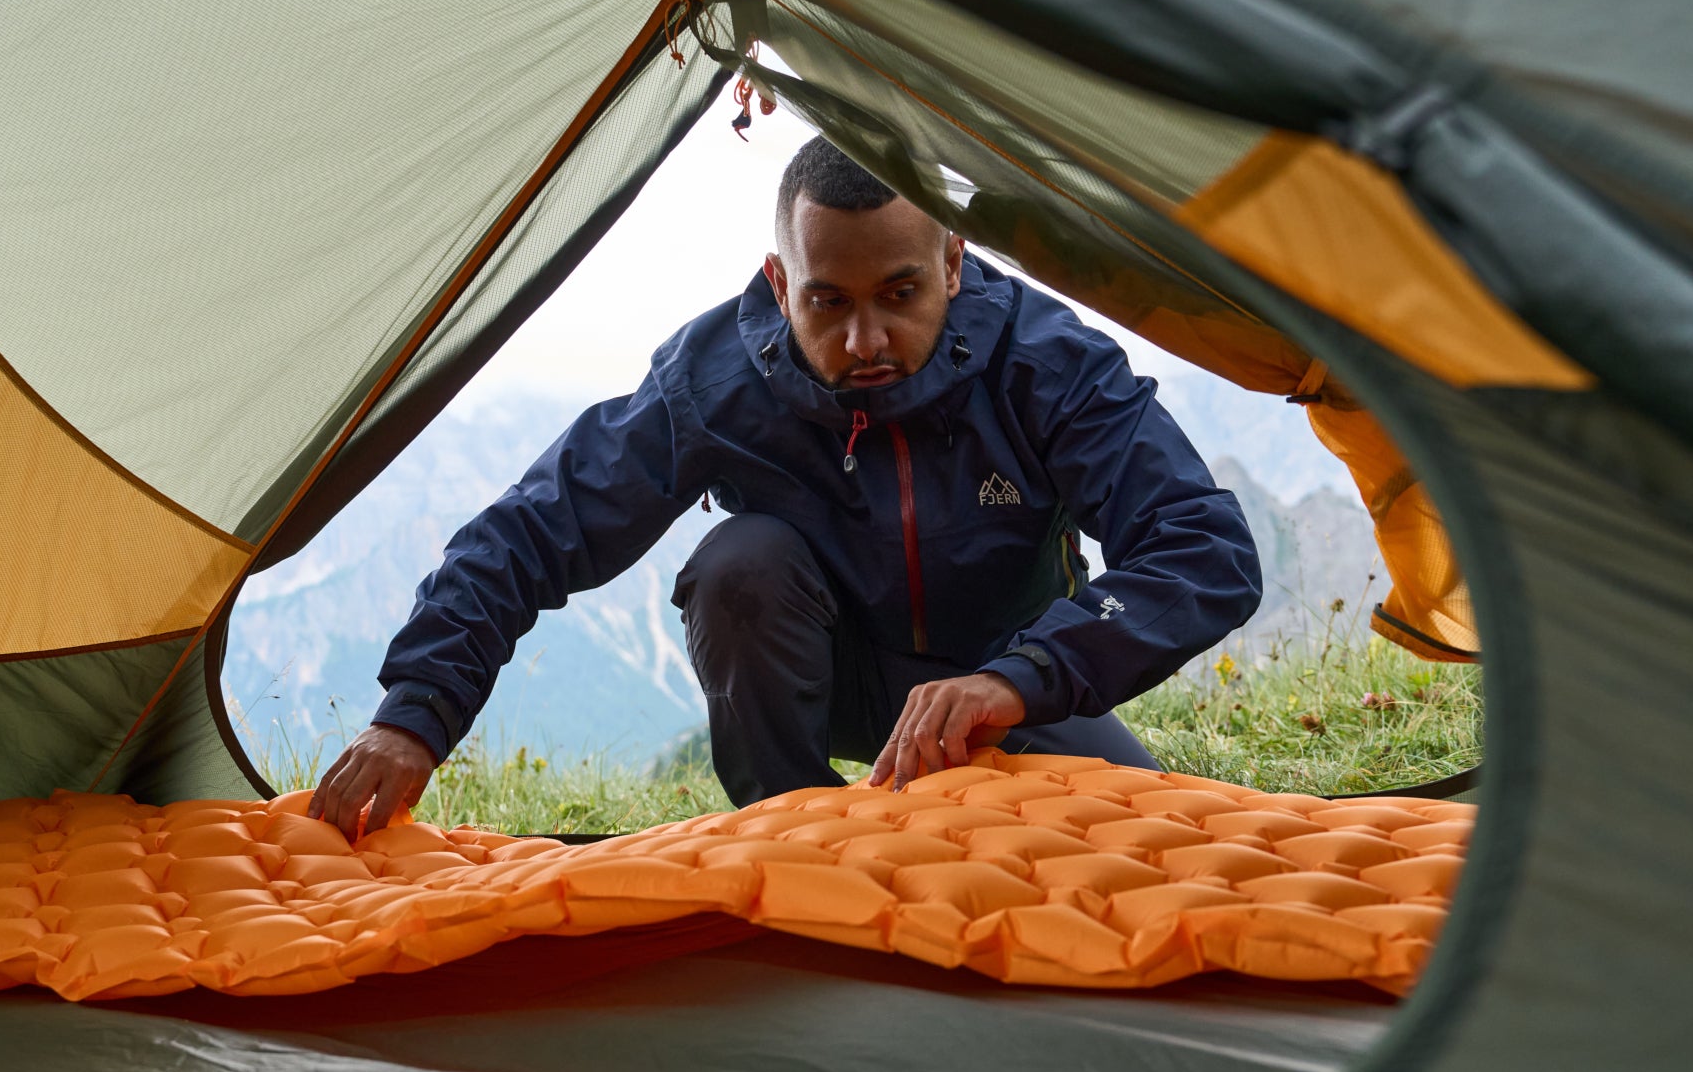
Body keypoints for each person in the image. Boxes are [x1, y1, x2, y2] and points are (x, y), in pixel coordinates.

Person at [311, 138, 1260, 833]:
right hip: (830, 681)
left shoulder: (1046, 363)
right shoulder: (714, 383)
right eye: (827, 302)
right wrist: (412, 721)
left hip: (1008, 690)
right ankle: (793, 826)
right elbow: (529, 532)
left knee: (1163, 839)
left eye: (900, 294)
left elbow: (1204, 549)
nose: (865, 342)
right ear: (779, 280)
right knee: (741, 565)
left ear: (953, 264)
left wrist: (1019, 680)